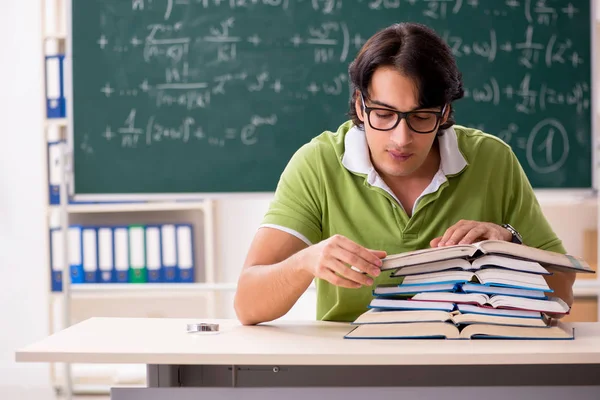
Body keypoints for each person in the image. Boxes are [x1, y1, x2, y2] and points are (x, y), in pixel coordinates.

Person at [233, 22, 575, 325]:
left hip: (469, 363)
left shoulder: (493, 159)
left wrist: (510, 245)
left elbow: (562, 295)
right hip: (351, 368)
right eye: (383, 114)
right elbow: (247, 304)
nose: (401, 138)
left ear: (444, 113)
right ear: (358, 106)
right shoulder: (317, 164)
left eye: (421, 116)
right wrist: (305, 262)